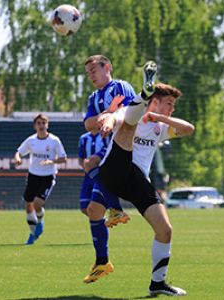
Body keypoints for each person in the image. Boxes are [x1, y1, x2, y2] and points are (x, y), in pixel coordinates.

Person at [83, 61, 195, 297]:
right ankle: (144, 91)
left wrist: (161, 118)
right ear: (153, 101)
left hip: (135, 181)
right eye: (169, 105)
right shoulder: (126, 112)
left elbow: (189, 129)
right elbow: (116, 119)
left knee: (165, 230)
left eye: (173, 106)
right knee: (128, 128)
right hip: (113, 171)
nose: (172, 109)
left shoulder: (160, 128)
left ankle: (157, 283)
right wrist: (107, 121)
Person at [83, 54, 136, 227]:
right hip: (110, 149)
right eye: (88, 73)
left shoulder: (120, 86)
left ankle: (116, 206)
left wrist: (108, 116)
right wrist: (108, 112)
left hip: (126, 144)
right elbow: (88, 124)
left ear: (107, 67)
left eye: (93, 71)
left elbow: (129, 113)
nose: (90, 76)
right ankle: (115, 209)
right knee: (94, 210)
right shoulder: (93, 97)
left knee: (91, 163)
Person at [14, 114, 67, 245]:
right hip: (33, 176)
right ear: (35, 126)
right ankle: (32, 234)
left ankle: (40, 221)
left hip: (48, 177)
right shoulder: (31, 140)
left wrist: (51, 161)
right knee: (28, 205)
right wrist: (18, 158)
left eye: (44, 123)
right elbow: (19, 152)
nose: (41, 125)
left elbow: (63, 158)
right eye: (39, 123)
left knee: (37, 204)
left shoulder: (54, 141)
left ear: (47, 125)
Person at [77, 129, 110, 215]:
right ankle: (100, 222)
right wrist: (88, 169)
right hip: (88, 176)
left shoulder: (105, 136)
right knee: (84, 207)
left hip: (101, 176)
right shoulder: (83, 138)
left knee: (98, 205)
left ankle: (99, 222)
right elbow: (81, 158)